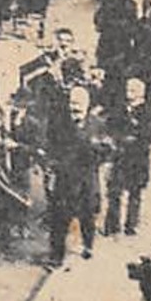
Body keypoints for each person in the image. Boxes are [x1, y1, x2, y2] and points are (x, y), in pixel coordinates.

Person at [45, 86, 112, 266]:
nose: (74, 107)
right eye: (72, 103)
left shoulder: (97, 124)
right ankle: (56, 256)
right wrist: (52, 166)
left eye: (79, 104)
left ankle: (88, 245)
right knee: (59, 218)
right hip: (65, 179)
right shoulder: (60, 123)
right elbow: (51, 146)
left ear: (87, 105)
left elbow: (107, 150)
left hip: (86, 178)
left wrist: (94, 148)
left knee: (87, 215)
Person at [104, 78, 151, 236]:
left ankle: (131, 224)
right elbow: (110, 126)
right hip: (119, 156)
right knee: (114, 190)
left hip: (138, 158)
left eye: (132, 91)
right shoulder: (120, 109)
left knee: (135, 192)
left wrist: (137, 137)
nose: (128, 94)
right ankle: (112, 225)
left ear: (140, 93)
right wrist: (116, 138)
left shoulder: (149, 111)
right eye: (128, 90)